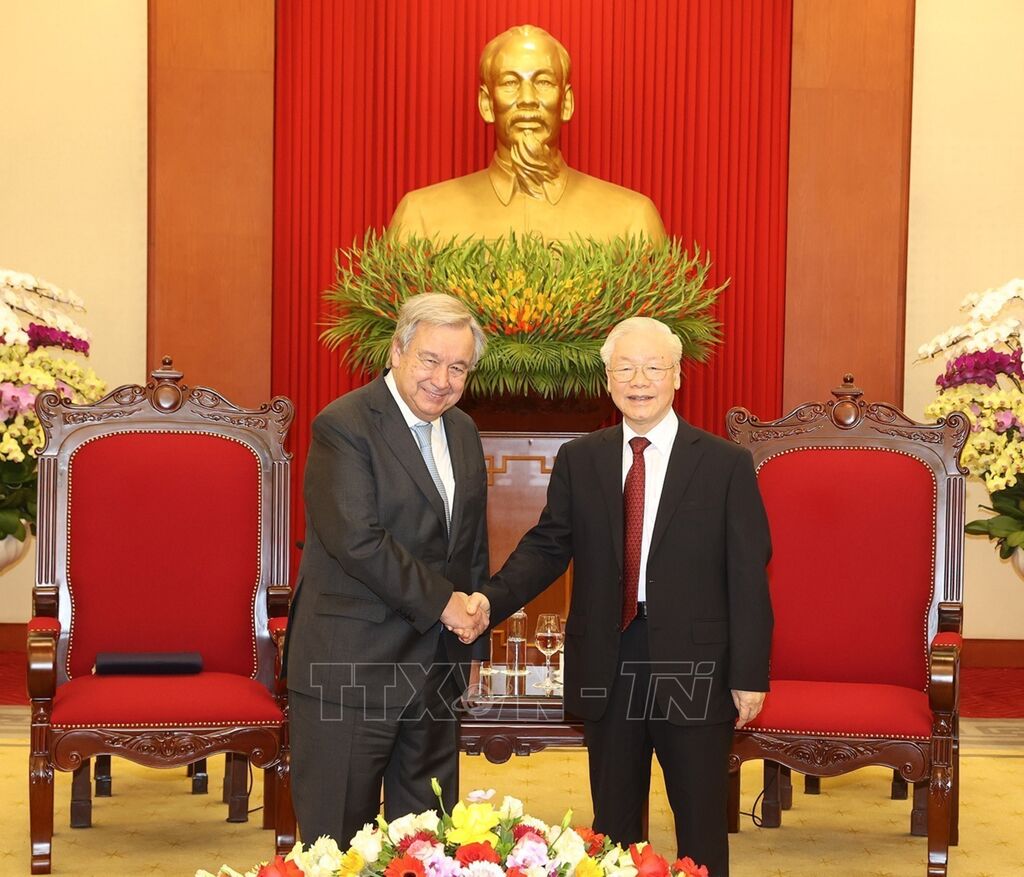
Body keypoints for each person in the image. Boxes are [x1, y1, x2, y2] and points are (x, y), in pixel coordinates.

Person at [471, 317, 773, 876]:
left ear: (677, 376)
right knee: (612, 828)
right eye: (625, 368)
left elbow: (748, 574)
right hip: (608, 660)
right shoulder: (580, 458)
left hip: (698, 665)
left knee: (701, 826)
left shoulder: (724, 464)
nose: (639, 381)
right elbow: (547, 546)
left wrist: (750, 672)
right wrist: (490, 601)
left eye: (653, 367)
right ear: (607, 379)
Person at [285, 293, 491, 846]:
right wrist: (446, 604)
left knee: (426, 845)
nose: (442, 380)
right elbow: (358, 541)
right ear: (397, 351)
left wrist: (472, 640)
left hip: (436, 674)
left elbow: (469, 544)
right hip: (351, 669)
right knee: (336, 847)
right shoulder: (344, 425)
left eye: (458, 367)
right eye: (430, 360)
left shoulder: (464, 431)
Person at [388, 25, 666, 244]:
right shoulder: (420, 217)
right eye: (510, 82)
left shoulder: (633, 220)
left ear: (566, 103)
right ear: (486, 104)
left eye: (543, 82)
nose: (528, 99)